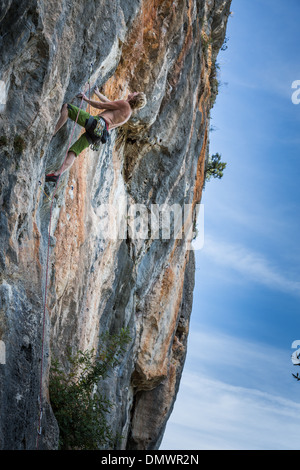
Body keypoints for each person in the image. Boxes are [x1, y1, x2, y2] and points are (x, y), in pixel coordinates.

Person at [45, 87, 147, 182]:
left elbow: (101, 105)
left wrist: (86, 99)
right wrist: (98, 93)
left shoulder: (125, 104)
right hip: (99, 135)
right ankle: (57, 174)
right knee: (75, 151)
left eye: (135, 93)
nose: (133, 92)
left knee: (67, 108)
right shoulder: (127, 114)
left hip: (97, 124)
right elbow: (108, 102)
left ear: (135, 97)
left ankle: (51, 133)